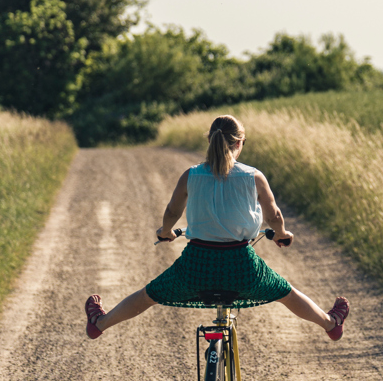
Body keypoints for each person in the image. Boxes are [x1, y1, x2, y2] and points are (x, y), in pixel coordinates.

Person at [85, 114, 348, 340]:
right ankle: (330, 325)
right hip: (242, 268)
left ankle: (100, 325)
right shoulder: (253, 176)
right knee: (286, 293)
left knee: (148, 295)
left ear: (209, 140)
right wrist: (282, 234)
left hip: (196, 267)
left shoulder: (191, 174)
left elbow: (172, 212)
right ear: (238, 143)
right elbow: (274, 216)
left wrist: (165, 232)